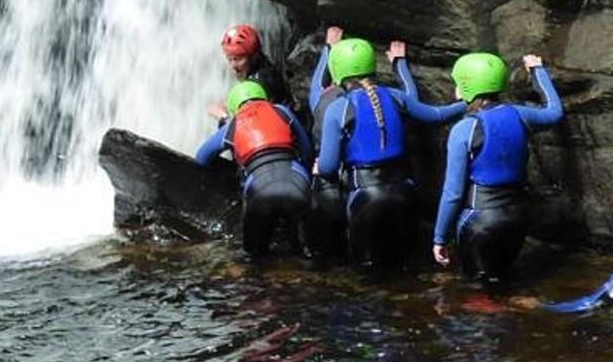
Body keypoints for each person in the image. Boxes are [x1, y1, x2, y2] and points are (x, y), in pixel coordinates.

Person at [315, 37, 466, 267]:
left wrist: (320, 169)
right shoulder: (396, 97)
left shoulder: (339, 108)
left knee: (368, 273)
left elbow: (327, 168)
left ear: (338, 72)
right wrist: (470, 101)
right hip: (405, 192)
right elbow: (437, 115)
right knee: (406, 264)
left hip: (365, 197)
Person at [432, 52, 564, 281]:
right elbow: (554, 112)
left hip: (481, 220)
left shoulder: (464, 129)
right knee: (502, 282)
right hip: (518, 216)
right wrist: (537, 70)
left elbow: (452, 194)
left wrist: (439, 238)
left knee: (476, 294)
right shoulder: (520, 114)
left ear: (467, 85)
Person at [195, 80, 314, 258]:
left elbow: (202, 157)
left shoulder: (233, 125)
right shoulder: (282, 111)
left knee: (255, 258)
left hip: (259, 189)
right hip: (297, 182)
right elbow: (307, 150)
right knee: (306, 253)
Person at [206, 24, 294, 120]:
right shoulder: (266, 69)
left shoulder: (258, 84)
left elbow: (246, 126)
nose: (233, 66)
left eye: (238, 59)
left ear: (254, 56)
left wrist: (223, 116)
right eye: (229, 59)